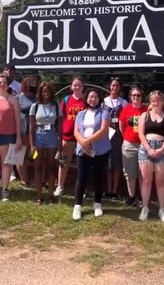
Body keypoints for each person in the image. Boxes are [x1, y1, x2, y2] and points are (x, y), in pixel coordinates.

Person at [72, 89, 111, 220]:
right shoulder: (81, 114)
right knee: (81, 177)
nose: (92, 99)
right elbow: (76, 131)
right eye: (90, 97)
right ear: (86, 98)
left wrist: (88, 141)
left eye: (95, 97)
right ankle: (77, 206)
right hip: (83, 150)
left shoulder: (104, 112)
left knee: (99, 177)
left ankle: (98, 203)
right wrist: (83, 142)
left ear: (99, 99)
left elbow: (104, 130)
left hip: (100, 150)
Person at [137, 90, 164, 222]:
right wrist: (149, 148)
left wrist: (162, 148)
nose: (155, 103)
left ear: (162, 102)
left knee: (160, 181)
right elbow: (140, 134)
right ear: (150, 102)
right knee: (146, 180)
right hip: (146, 149)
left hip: (162, 150)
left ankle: (162, 209)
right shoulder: (144, 116)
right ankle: (145, 208)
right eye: (153, 100)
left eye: (158, 100)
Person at [29, 81, 63, 204]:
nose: (46, 93)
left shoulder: (56, 106)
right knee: (38, 166)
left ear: (51, 93)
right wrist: (32, 145)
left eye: (48, 91)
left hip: (52, 139)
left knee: (51, 167)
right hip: (38, 138)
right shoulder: (35, 106)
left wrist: (60, 146)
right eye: (43, 91)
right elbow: (31, 128)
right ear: (40, 93)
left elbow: (60, 128)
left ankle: (50, 195)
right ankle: (38, 195)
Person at [54, 77, 86, 197]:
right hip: (67, 137)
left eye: (79, 85)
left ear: (83, 86)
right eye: (75, 85)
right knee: (63, 163)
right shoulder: (66, 100)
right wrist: (60, 135)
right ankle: (60, 187)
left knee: (81, 165)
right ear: (71, 87)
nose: (77, 87)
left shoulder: (86, 101)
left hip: (82, 138)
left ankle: (80, 189)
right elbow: (61, 119)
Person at [119, 86, 148, 206]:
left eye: (138, 95)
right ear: (130, 97)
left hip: (143, 145)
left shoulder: (147, 110)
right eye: (133, 95)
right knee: (130, 173)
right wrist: (127, 137)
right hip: (129, 145)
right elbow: (122, 126)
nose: (136, 97)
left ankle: (142, 197)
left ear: (142, 97)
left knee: (143, 174)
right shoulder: (126, 109)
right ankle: (132, 196)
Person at [102, 77, 128, 199]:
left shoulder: (123, 102)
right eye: (112, 85)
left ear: (120, 88)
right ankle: (107, 189)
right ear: (109, 86)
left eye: (116, 86)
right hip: (106, 135)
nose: (114, 88)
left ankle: (114, 190)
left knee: (117, 163)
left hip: (118, 136)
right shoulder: (103, 101)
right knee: (107, 163)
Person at [16, 75, 39, 189]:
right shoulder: (18, 98)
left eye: (35, 83)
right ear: (25, 84)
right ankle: (24, 180)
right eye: (31, 83)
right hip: (23, 130)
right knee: (20, 156)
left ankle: (38, 179)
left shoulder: (38, 97)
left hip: (37, 131)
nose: (33, 85)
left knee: (35, 156)